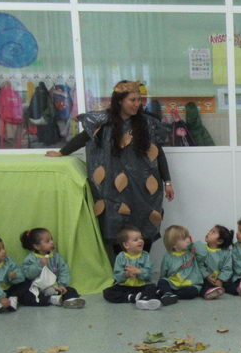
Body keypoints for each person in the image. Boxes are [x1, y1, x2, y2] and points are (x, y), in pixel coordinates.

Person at [47, 81, 175, 252]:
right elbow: (84, 137)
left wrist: (167, 181)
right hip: (114, 189)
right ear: (120, 101)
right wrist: (62, 152)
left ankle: (142, 268)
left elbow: (158, 153)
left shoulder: (147, 123)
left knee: (144, 223)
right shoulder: (103, 121)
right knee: (116, 225)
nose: (137, 104)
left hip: (144, 188)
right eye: (132, 100)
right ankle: (122, 270)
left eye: (139, 100)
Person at [18, 228, 86, 309]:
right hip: (38, 289)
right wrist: (39, 265)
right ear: (37, 246)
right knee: (26, 297)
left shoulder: (56, 257)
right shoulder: (30, 259)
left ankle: (71, 300)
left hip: (55, 287)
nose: (52, 242)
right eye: (47, 241)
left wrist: (62, 284)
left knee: (71, 290)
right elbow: (28, 274)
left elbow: (64, 270)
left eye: (51, 240)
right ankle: (51, 300)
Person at [103, 225, 162, 310]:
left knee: (152, 288)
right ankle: (131, 298)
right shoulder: (120, 257)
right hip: (125, 287)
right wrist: (126, 274)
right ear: (126, 245)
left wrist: (139, 271)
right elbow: (117, 276)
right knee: (107, 292)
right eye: (136, 240)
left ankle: (145, 300)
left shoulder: (145, 256)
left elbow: (149, 274)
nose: (140, 241)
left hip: (142, 286)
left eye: (141, 238)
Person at [157, 225, 205, 304]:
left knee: (193, 292)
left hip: (190, 284)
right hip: (173, 283)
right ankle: (167, 293)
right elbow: (163, 271)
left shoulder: (191, 252)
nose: (188, 239)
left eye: (188, 236)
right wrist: (163, 280)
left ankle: (170, 295)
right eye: (184, 238)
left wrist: (194, 244)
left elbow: (203, 254)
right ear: (174, 245)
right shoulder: (168, 256)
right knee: (162, 282)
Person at [195, 225, 233, 300]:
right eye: (210, 231)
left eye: (213, 232)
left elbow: (227, 268)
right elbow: (199, 265)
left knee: (230, 284)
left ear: (220, 241)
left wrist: (220, 280)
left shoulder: (226, 253)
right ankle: (208, 293)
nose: (209, 233)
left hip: (221, 280)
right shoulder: (202, 249)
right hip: (206, 278)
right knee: (202, 285)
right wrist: (207, 276)